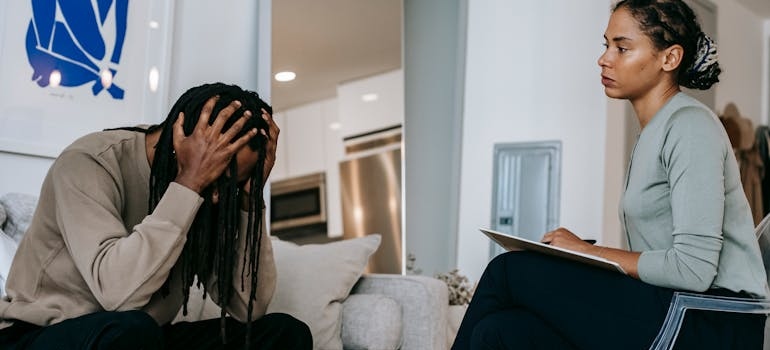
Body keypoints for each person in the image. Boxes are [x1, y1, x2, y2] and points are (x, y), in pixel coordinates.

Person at [452, 1, 767, 349]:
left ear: (669, 58)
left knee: (508, 271)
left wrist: (589, 252)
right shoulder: (653, 132)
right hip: (672, 305)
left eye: (622, 48)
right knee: (498, 330)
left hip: (712, 321)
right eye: (606, 45)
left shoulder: (691, 126)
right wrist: (580, 256)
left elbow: (694, 269)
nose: (605, 59)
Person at [0, 83, 313, 349]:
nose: (218, 196)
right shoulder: (89, 162)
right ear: (182, 146)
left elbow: (248, 308)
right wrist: (190, 184)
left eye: (233, 184)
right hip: (41, 334)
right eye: (219, 179)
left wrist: (249, 198)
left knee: (285, 333)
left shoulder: (217, 193)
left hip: (144, 337)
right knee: (132, 331)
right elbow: (118, 296)